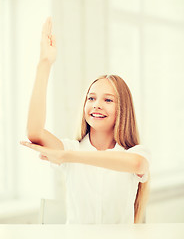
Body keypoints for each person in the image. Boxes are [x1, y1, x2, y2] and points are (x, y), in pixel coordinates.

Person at [20, 17, 151, 224]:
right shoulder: (71, 148)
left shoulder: (135, 153)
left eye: (108, 100)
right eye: (91, 98)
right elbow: (34, 132)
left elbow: (137, 164)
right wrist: (45, 63)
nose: (96, 105)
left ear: (123, 109)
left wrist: (68, 157)